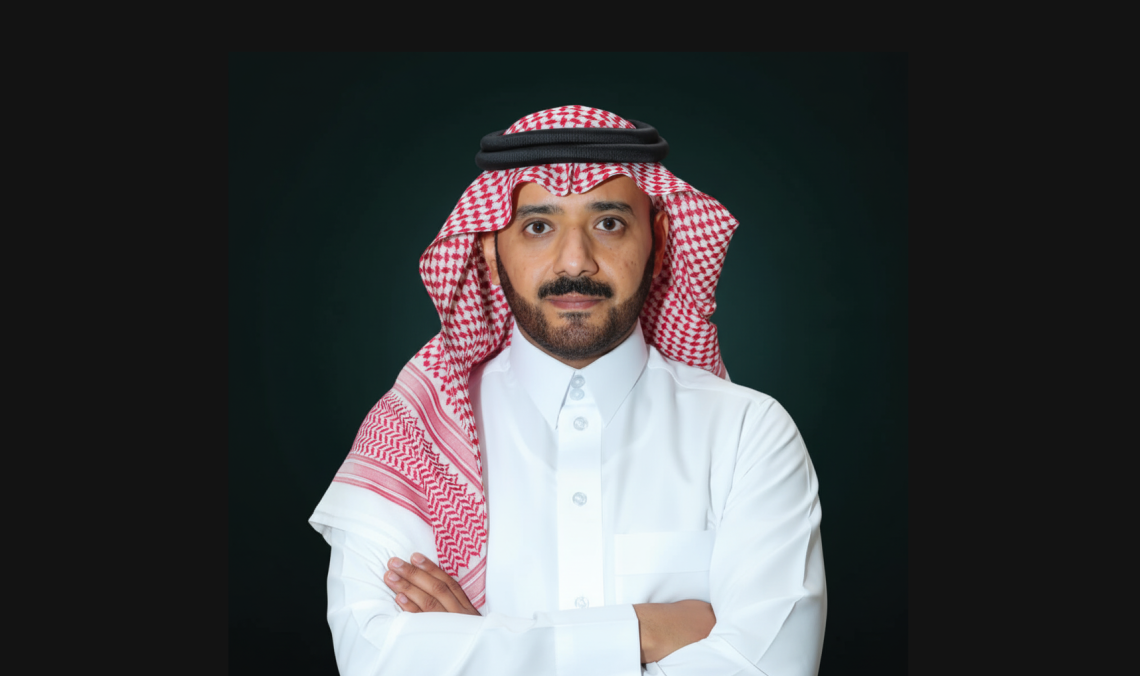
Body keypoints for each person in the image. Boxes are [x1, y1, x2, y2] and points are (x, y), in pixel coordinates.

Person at [309, 105, 826, 675]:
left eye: (609, 224)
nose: (575, 262)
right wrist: (645, 629)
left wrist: (478, 647)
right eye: (538, 226)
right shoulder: (413, 436)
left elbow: (769, 667)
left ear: (657, 242)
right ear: (490, 249)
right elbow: (377, 662)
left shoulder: (749, 433)